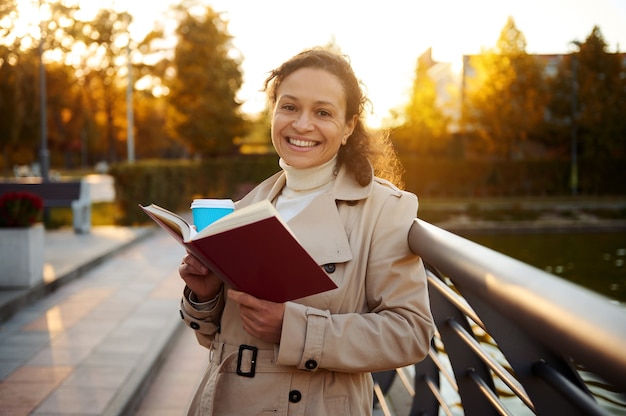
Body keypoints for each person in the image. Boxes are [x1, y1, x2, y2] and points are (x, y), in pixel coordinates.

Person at [178, 48, 435, 415]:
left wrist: (293, 328)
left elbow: (410, 334)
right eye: (289, 107)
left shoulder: (384, 208)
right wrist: (204, 295)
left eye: (323, 112)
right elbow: (216, 340)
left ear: (348, 127)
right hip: (224, 401)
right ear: (273, 112)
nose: (301, 124)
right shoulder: (250, 204)